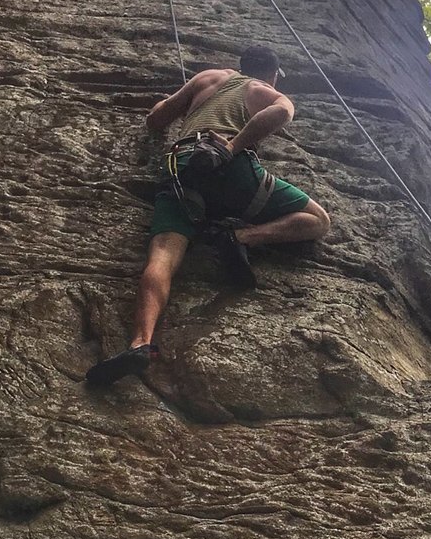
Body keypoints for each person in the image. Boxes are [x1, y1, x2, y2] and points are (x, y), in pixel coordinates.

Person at [86, 44, 330, 387]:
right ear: (273, 74)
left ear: (240, 64)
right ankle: (240, 237)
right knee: (317, 220)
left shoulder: (209, 77)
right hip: (232, 171)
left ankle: (140, 343)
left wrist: (170, 109)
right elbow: (281, 114)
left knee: (163, 256)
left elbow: (157, 118)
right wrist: (231, 147)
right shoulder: (266, 91)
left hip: (182, 168)